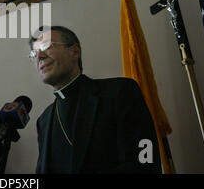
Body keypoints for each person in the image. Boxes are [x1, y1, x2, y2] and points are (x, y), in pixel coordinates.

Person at [29, 26, 161, 174]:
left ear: (74, 52)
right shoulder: (44, 121)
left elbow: (145, 161)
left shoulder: (120, 92)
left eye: (46, 46)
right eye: (34, 53)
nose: (39, 56)